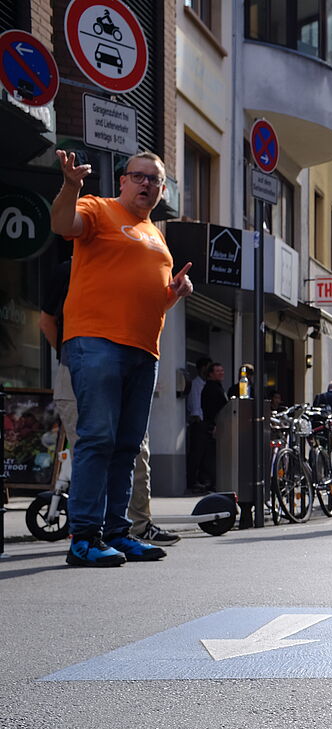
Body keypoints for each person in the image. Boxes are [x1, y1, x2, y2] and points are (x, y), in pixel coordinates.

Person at [49, 149, 194, 567]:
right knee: (98, 438)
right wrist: (71, 184)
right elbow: (61, 224)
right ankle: (85, 537)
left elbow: (151, 301)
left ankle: (118, 532)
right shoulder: (98, 209)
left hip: (142, 350)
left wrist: (173, 294)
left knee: (127, 445)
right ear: (123, 181)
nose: (147, 184)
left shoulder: (156, 234)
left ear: (162, 190)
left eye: (155, 180)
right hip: (95, 342)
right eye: (140, 177)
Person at [38, 259, 180, 547]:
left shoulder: (129, 266)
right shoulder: (69, 269)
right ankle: (88, 535)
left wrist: (173, 294)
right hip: (80, 366)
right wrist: (74, 360)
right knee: (92, 448)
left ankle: (133, 527)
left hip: (125, 365)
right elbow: (47, 321)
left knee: (135, 449)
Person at [199, 362, 228, 490]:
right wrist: (216, 424)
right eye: (218, 371)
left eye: (222, 370)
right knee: (212, 456)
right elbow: (212, 409)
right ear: (210, 374)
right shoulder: (211, 388)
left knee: (214, 455)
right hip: (212, 426)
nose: (221, 373)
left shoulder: (217, 386)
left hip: (216, 425)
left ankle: (214, 482)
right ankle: (212, 482)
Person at [185, 357, 209, 492]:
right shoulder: (196, 384)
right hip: (198, 422)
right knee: (196, 453)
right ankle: (192, 481)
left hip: (202, 421)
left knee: (202, 454)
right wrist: (198, 418)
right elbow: (195, 404)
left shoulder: (204, 384)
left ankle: (199, 479)